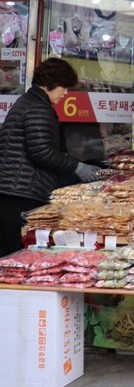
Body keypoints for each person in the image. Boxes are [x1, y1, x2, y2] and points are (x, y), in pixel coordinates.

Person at [0, 58, 99, 256]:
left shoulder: (29, 102)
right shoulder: (38, 108)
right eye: (64, 87)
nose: (66, 93)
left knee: (9, 252)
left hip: (13, 190)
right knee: (15, 256)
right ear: (49, 83)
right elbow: (42, 151)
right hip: (22, 194)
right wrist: (77, 167)